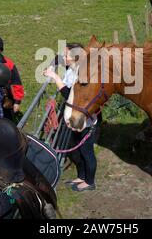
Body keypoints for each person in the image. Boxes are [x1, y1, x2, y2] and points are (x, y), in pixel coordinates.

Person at [43, 43, 100, 192]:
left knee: (87, 152)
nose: (63, 57)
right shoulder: (72, 67)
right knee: (78, 150)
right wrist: (51, 66)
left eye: (66, 55)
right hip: (74, 118)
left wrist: (55, 77)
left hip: (85, 121)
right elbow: (57, 58)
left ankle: (90, 182)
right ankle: (81, 176)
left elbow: (70, 96)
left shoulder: (82, 75)